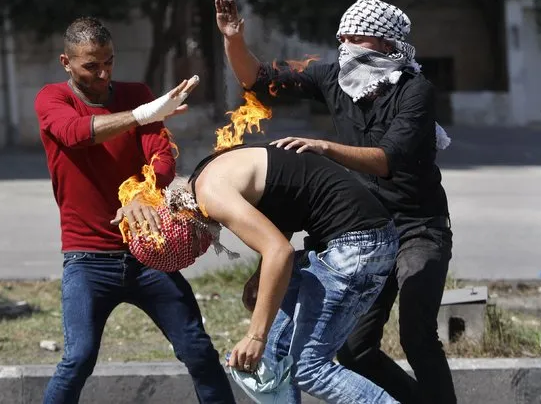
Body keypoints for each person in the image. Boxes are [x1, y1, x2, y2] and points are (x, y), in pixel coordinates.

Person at [215, 0, 456, 404]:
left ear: (385, 44)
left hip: (419, 229)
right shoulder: (335, 77)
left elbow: (386, 160)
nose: (346, 48)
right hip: (367, 232)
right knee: (355, 348)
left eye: (356, 39)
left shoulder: (415, 91)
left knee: (417, 334)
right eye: (342, 38)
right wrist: (233, 38)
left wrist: (324, 148)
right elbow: (257, 78)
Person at [34, 16, 236, 404]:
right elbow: (77, 134)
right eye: (91, 65)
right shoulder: (52, 98)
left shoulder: (135, 93)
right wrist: (144, 113)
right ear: (66, 63)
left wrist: (143, 193)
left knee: (198, 350)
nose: (103, 72)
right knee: (77, 359)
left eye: (109, 61)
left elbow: (161, 157)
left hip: (147, 255)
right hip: (87, 259)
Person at [132, 142, 401, 403]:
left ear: (188, 229)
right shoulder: (206, 174)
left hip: (359, 244)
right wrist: (261, 275)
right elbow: (286, 202)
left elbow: (279, 252)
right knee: (271, 358)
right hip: (343, 240)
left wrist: (255, 335)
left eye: (200, 246)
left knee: (308, 368)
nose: (211, 242)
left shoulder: (210, 195)